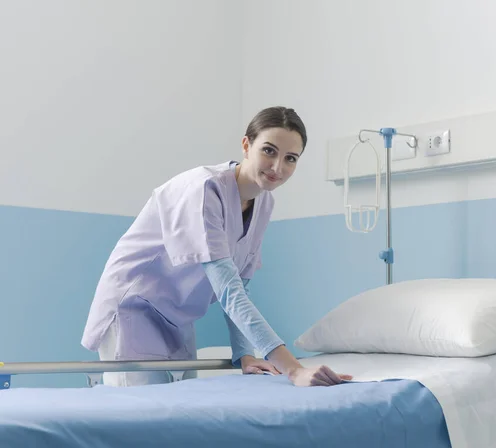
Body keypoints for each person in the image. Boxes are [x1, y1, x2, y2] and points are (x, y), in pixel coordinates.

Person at [81, 106, 352, 387]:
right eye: (269, 151)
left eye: (290, 158)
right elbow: (228, 291)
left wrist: (245, 354)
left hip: (177, 317)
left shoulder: (264, 202)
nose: (277, 168)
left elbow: (240, 285)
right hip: (133, 309)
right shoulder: (205, 189)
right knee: (139, 414)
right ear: (246, 145)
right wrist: (294, 370)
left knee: (178, 412)